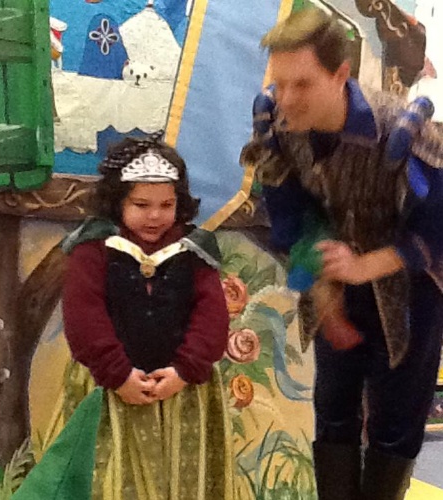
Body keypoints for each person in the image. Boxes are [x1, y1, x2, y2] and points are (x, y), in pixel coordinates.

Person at [242, 7, 443, 500]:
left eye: (303, 84)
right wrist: (324, 282)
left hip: (410, 289)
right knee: (333, 412)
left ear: (340, 75)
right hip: (337, 283)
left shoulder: (400, 132)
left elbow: (437, 229)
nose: (287, 99)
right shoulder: (280, 129)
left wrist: (367, 265)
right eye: (279, 83)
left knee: (396, 423)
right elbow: (289, 215)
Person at [61, 137, 235, 499]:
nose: (155, 216)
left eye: (166, 205)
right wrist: (117, 373)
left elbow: (211, 316)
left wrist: (185, 370)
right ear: (117, 201)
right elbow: (84, 315)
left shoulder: (194, 251)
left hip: (182, 394)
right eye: (141, 205)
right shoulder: (94, 249)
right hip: (112, 391)